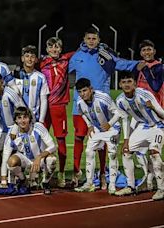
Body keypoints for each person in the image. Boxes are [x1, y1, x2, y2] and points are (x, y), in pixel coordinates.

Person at [68, 27, 141, 187]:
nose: (91, 41)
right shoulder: (76, 56)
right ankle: (76, 173)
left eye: (94, 38)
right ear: (84, 39)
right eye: (89, 38)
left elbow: (121, 64)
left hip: (102, 106)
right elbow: (64, 72)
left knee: (103, 141)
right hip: (80, 106)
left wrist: (139, 64)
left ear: (99, 40)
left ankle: (102, 174)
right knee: (79, 138)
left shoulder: (105, 55)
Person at [115, 74, 164, 200]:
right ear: (120, 84)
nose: (126, 84)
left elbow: (162, 113)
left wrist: (153, 107)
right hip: (143, 126)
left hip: (157, 125)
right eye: (124, 82)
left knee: (154, 153)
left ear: (135, 84)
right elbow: (125, 120)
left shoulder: (144, 95)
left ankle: (161, 188)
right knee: (126, 151)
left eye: (129, 81)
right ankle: (130, 186)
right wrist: (126, 140)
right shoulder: (120, 101)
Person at [73, 78, 122, 194]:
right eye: (79, 92)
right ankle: (89, 183)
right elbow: (82, 114)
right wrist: (89, 125)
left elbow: (118, 113)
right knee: (89, 151)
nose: (82, 94)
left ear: (91, 89)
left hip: (112, 128)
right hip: (96, 128)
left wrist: (109, 124)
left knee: (112, 154)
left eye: (84, 91)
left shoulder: (103, 98)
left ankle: (112, 185)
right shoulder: (80, 102)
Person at [40, 37, 74, 187]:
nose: (54, 50)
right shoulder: (41, 63)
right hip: (43, 106)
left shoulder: (65, 60)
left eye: (57, 47)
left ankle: (61, 173)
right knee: (40, 138)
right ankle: (40, 171)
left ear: (61, 49)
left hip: (59, 105)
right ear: (47, 50)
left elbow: (79, 51)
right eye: (51, 47)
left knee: (61, 139)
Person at [0, 107, 57, 195]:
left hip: (40, 159)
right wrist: (3, 179)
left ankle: (45, 182)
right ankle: (23, 180)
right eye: (19, 118)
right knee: (11, 162)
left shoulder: (38, 127)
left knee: (52, 160)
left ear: (30, 118)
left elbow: (53, 146)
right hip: (26, 161)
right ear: (15, 120)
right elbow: (5, 156)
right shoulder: (12, 133)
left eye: (25, 117)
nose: (22, 121)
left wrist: (39, 157)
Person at [0, 72, 25, 184]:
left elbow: (22, 109)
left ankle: (14, 177)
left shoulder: (10, 93)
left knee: (12, 153)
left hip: (12, 127)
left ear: (2, 82)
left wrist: (16, 128)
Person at [13, 45, 50, 123]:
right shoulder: (14, 76)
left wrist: (41, 121)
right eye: (27, 56)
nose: (29, 59)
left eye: (32, 57)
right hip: (16, 119)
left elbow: (43, 100)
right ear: (22, 58)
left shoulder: (41, 77)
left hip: (33, 119)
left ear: (36, 60)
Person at [135, 40, 164, 106]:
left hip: (156, 105)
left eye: (149, 49)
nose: (147, 52)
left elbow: (156, 87)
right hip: (142, 104)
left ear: (154, 51)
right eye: (144, 50)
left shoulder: (159, 67)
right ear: (141, 53)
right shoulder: (139, 64)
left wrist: (145, 69)